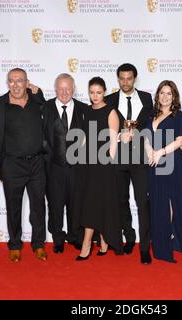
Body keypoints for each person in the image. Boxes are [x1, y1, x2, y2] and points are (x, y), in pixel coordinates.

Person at [0, 68, 48, 262]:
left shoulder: (37, 102)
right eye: (12, 81)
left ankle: (38, 244)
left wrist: (39, 93)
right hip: (12, 165)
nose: (15, 85)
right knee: (13, 207)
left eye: (20, 81)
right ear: (8, 83)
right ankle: (15, 244)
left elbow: (51, 116)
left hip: (37, 164)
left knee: (38, 207)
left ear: (27, 82)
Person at [105, 63, 153, 264]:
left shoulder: (147, 98)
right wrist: (117, 138)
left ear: (135, 79)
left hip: (141, 158)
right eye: (122, 78)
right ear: (118, 79)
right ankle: (130, 237)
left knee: (143, 203)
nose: (125, 82)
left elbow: (152, 126)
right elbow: (104, 129)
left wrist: (138, 133)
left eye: (129, 78)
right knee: (121, 200)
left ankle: (145, 247)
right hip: (118, 158)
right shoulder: (109, 100)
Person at [75, 76, 122, 260]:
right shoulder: (86, 110)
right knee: (93, 201)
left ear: (105, 92)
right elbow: (85, 136)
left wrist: (108, 163)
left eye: (99, 92)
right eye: (92, 92)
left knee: (97, 202)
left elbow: (113, 141)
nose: (95, 96)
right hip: (88, 164)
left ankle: (87, 244)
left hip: (104, 165)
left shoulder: (111, 111)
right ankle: (103, 241)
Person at [145, 80, 182, 263]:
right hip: (153, 164)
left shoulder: (178, 116)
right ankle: (162, 245)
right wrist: (151, 154)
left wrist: (160, 153)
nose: (165, 97)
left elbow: (181, 141)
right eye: (162, 93)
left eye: (169, 94)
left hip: (171, 163)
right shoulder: (151, 115)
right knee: (157, 203)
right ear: (157, 96)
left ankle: (172, 242)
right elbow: (146, 138)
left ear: (174, 97)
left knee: (171, 203)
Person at [43, 73, 88, 253]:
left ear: (74, 89)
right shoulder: (44, 108)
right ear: (55, 89)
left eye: (68, 88)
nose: (64, 92)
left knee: (76, 203)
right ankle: (58, 238)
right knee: (55, 204)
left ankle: (75, 236)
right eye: (60, 89)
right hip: (52, 168)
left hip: (77, 168)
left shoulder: (84, 109)